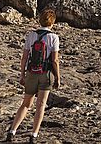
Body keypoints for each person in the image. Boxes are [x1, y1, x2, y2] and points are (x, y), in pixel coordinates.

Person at [6, 9, 62, 142]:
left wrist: (22, 75)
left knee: (25, 104)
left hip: (31, 73)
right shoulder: (54, 37)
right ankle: (34, 135)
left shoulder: (31, 35)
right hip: (46, 74)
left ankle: (12, 130)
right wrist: (58, 78)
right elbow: (54, 60)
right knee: (41, 105)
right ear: (52, 22)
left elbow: (24, 57)